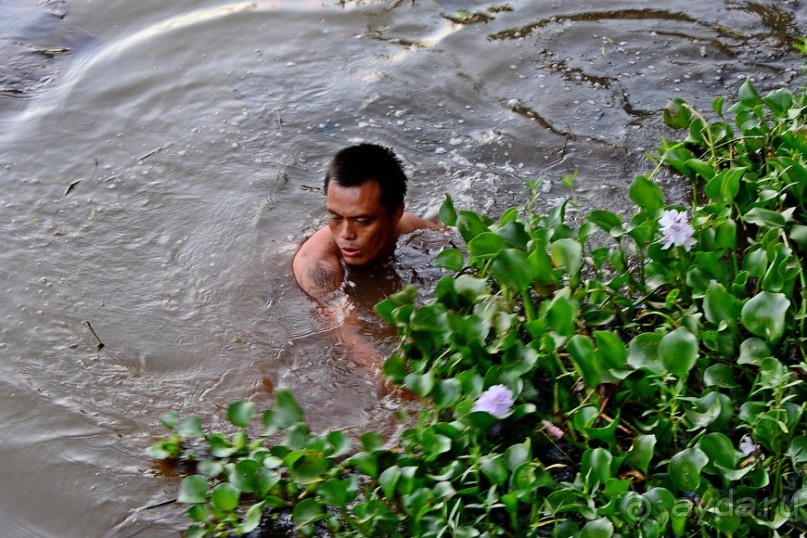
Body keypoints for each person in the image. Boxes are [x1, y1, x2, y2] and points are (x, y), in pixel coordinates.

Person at [293, 143, 440, 300]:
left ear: (395, 214)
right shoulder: (316, 266)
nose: (346, 234)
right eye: (336, 218)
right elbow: (346, 322)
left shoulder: (410, 227)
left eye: (362, 221)